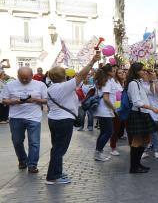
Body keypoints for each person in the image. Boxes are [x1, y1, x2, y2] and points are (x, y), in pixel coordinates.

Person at [43, 51, 101, 184]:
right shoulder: (64, 86)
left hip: (54, 119)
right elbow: (81, 75)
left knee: (56, 147)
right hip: (63, 121)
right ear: (64, 75)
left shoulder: (52, 87)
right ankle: (53, 177)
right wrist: (92, 61)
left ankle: (56, 172)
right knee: (60, 148)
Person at [1, 67, 48, 173]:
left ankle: (32, 165)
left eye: (27, 78)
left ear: (32, 75)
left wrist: (35, 100)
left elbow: (46, 100)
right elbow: (4, 100)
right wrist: (16, 101)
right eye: (22, 78)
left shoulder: (40, 85)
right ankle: (22, 160)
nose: (25, 80)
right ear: (18, 76)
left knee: (34, 142)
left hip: (34, 117)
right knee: (17, 141)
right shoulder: (10, 85)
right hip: (16, 117)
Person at [124, 62, 158, 174]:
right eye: (142, 70)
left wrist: (151, 80)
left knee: (146, 139)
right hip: (138, 114)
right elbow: (137, 102)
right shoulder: (133, 84)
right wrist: (152, 108)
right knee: (137, 141)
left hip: (143, 113)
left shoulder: (138, 82)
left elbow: (150, 92)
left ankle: (137, 164)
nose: (145, 72)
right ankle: (134, 167)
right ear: (136, 71)